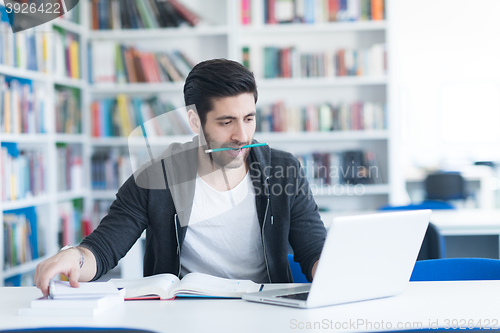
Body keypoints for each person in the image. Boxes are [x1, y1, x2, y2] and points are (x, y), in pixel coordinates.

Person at [35, 59, 327, 296]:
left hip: (265, 309)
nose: (242, 136)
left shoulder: (284, 170)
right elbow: (103, 249)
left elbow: (314, 250)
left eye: (248, 119)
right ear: (195, 121)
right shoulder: (156, 176)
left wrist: (338, 270)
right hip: (180, 313)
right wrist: (75, 257)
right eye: (226, 122)